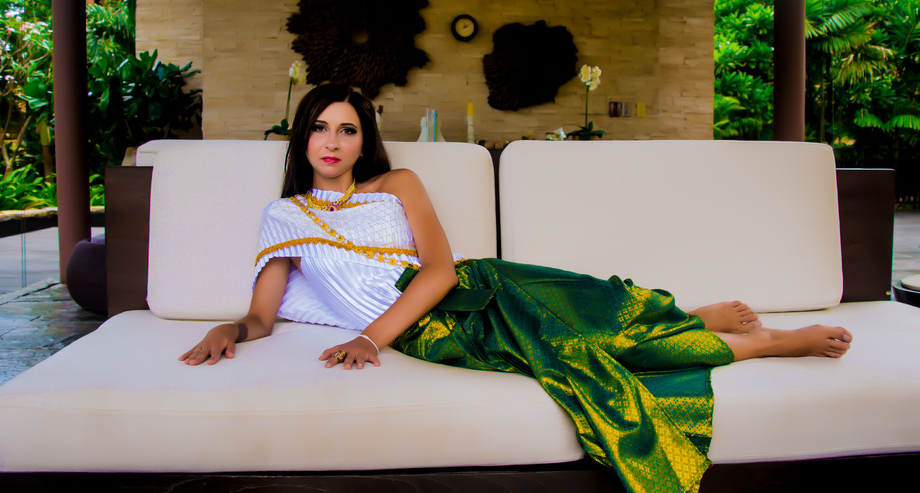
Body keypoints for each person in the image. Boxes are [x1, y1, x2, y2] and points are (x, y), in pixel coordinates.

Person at [180, 83, 852, 493]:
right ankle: (764, 343)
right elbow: (261, 317)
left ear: (363, 141)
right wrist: (227, 329)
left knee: (598, 306)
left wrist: (370, 339)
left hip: (479, 284)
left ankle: (691, 317)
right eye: (321, 127)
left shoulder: (398, 184)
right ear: (302, 137)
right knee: (587, 359)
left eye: (347, 129)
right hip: (442, 332)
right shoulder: (285, 217)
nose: (332, 141)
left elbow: (441, 270)